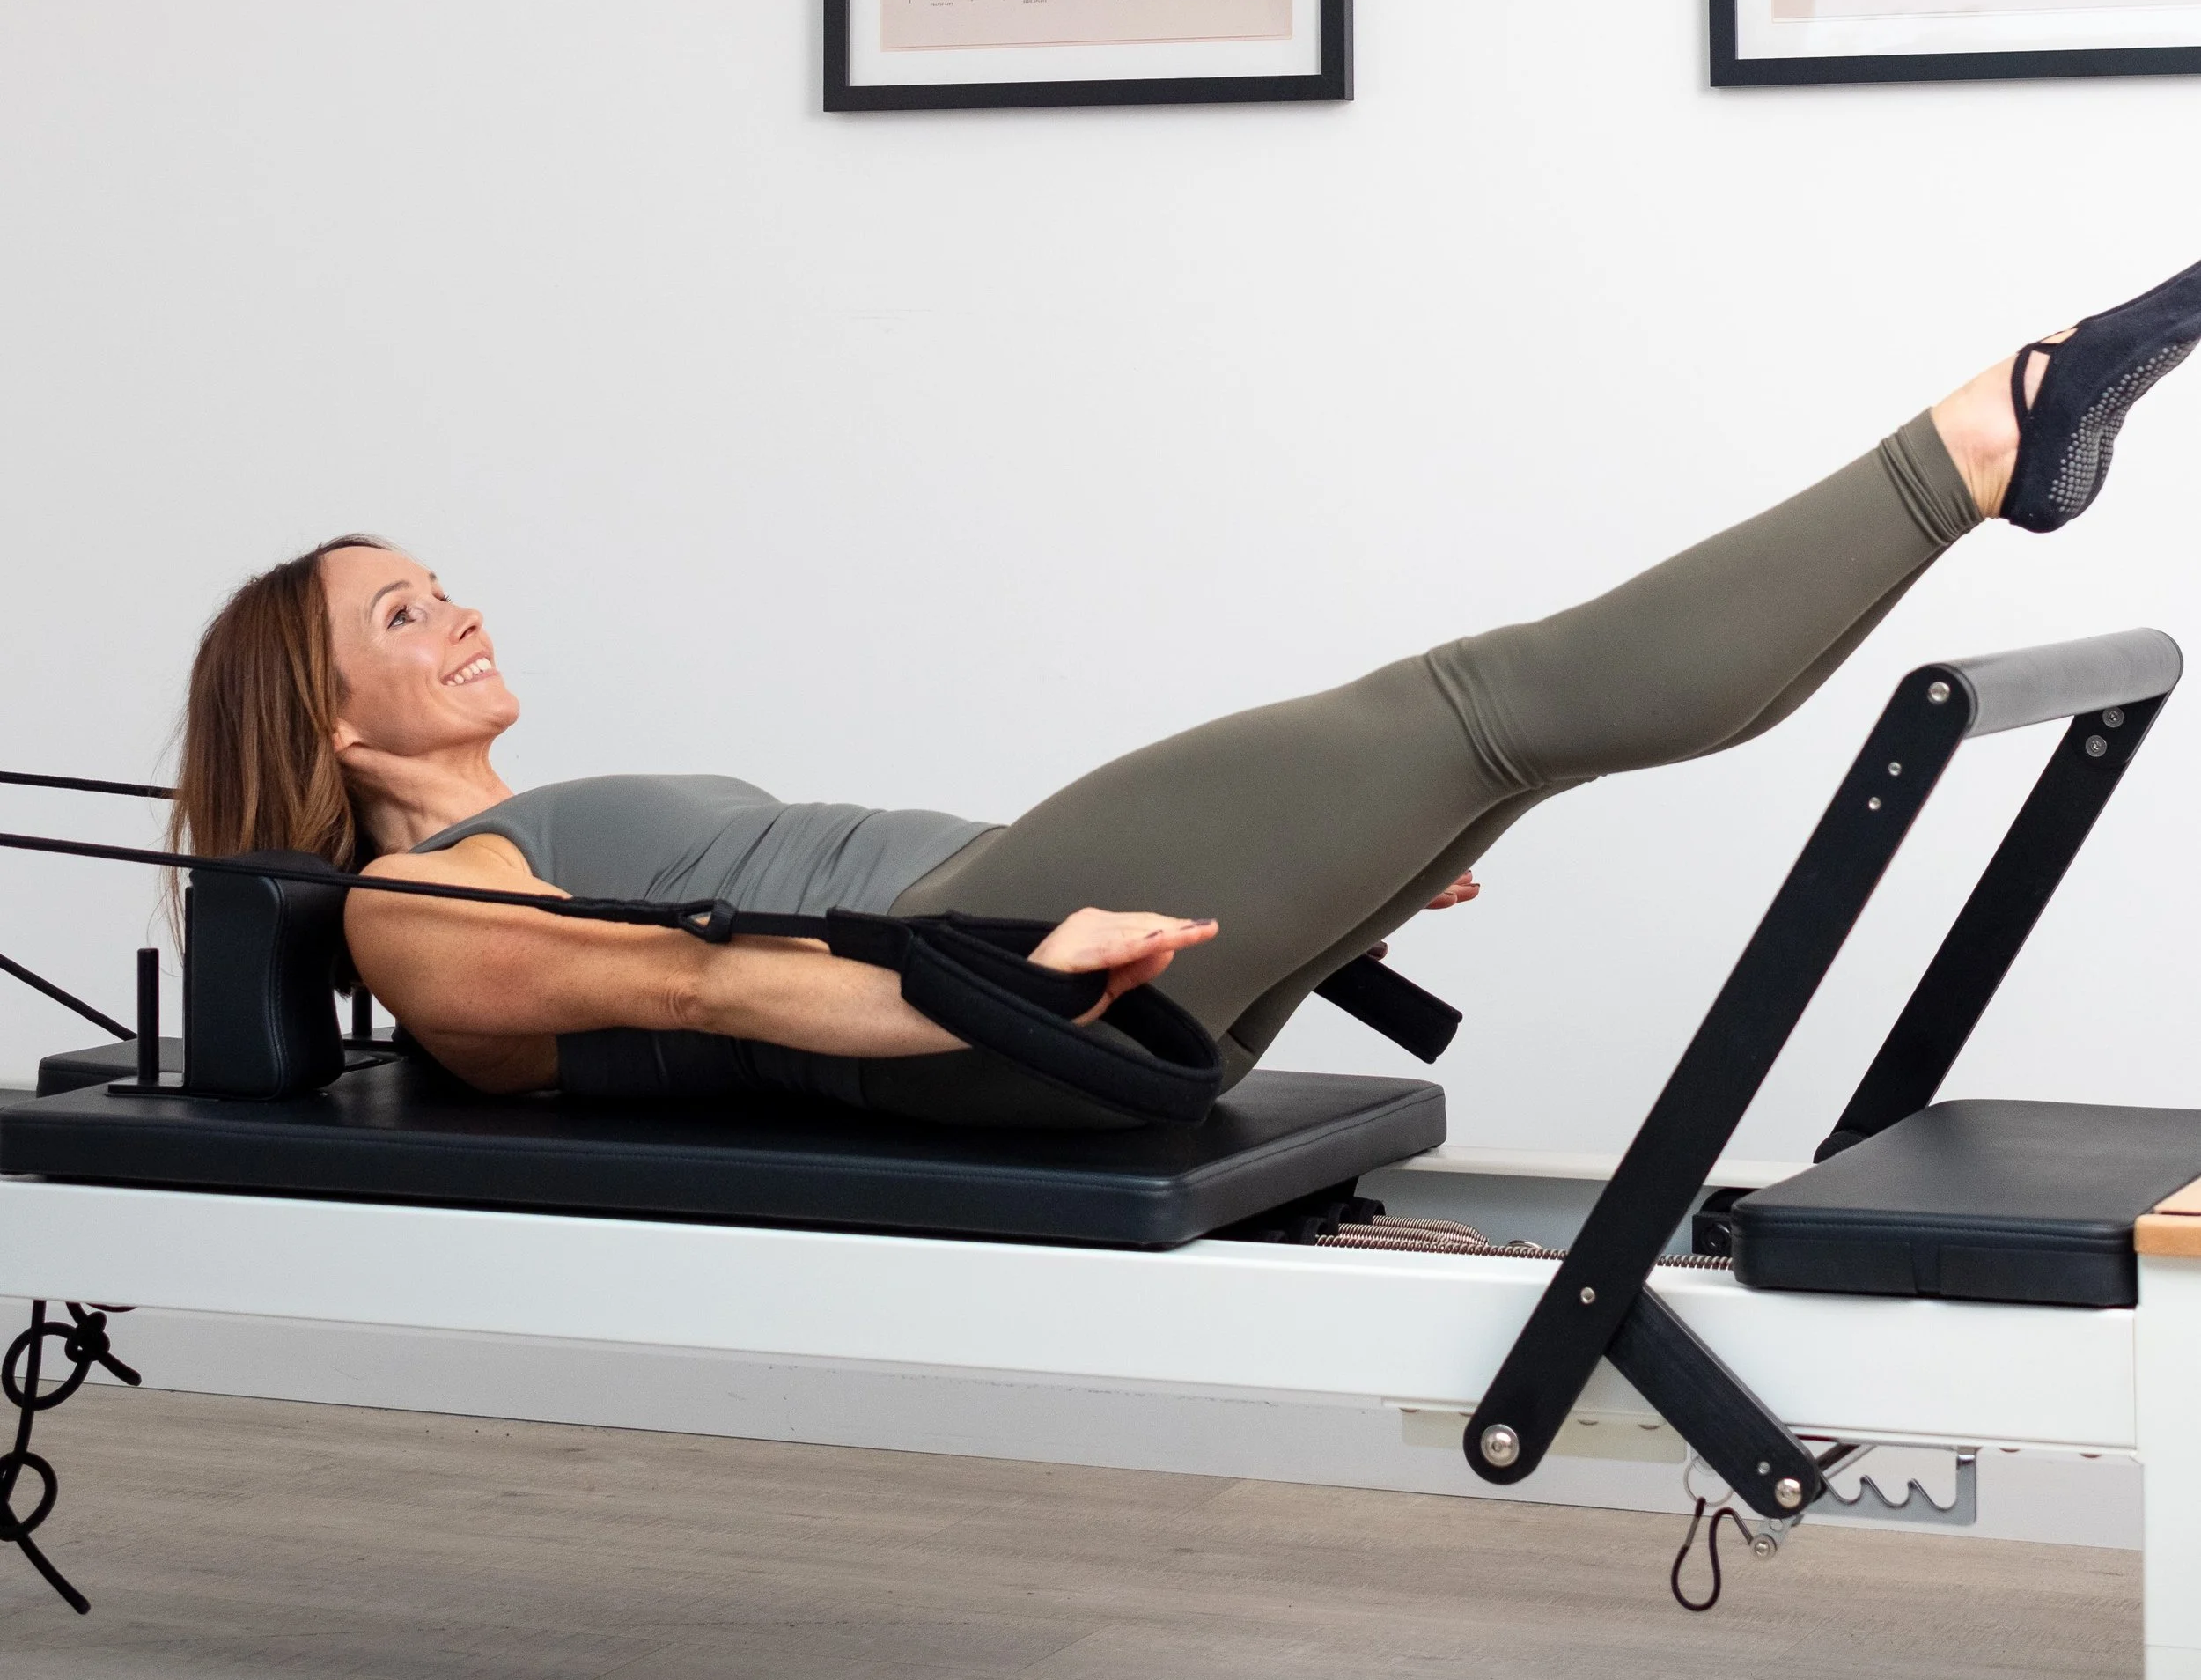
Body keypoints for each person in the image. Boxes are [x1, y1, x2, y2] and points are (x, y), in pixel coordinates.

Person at [168, 261, 2201, 1124]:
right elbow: (707, 985)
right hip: (976, 984)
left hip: (1013, 939)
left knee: (1509, 736)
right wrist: (1004, 976)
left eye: (444, 588)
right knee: (1489, 704)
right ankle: (1983, 435)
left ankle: (1980, 458)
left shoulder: (528, 820)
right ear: (331, 727)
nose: (461, 620)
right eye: (405, 622)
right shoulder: (418, 907)